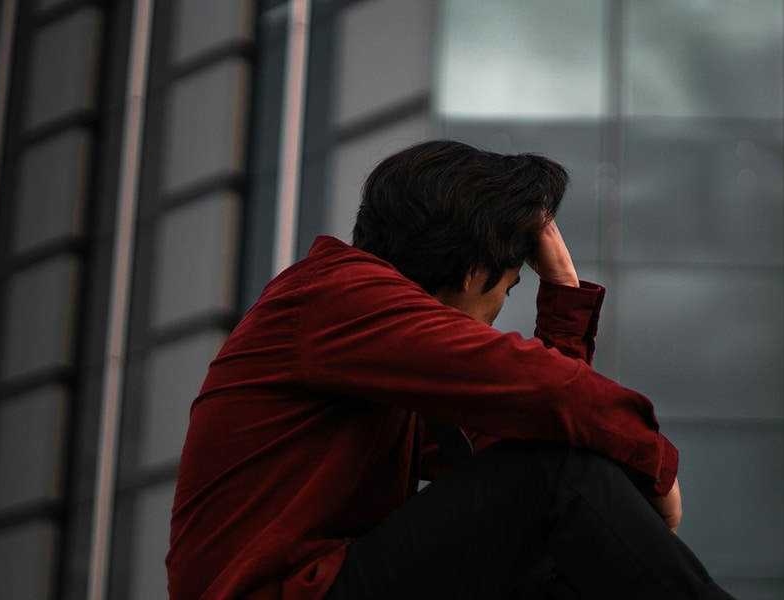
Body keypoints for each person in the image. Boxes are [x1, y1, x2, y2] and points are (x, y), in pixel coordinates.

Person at [166, 140, 734, 599]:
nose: (493, 320)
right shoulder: (332, 295)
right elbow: (547, 410)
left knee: (547, 559)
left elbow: (527, 429)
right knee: (553, 473)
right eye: (507, 291)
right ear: (471, 271)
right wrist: (655, 464)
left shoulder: (375, 360)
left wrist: (562, 290)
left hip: (320, 583)